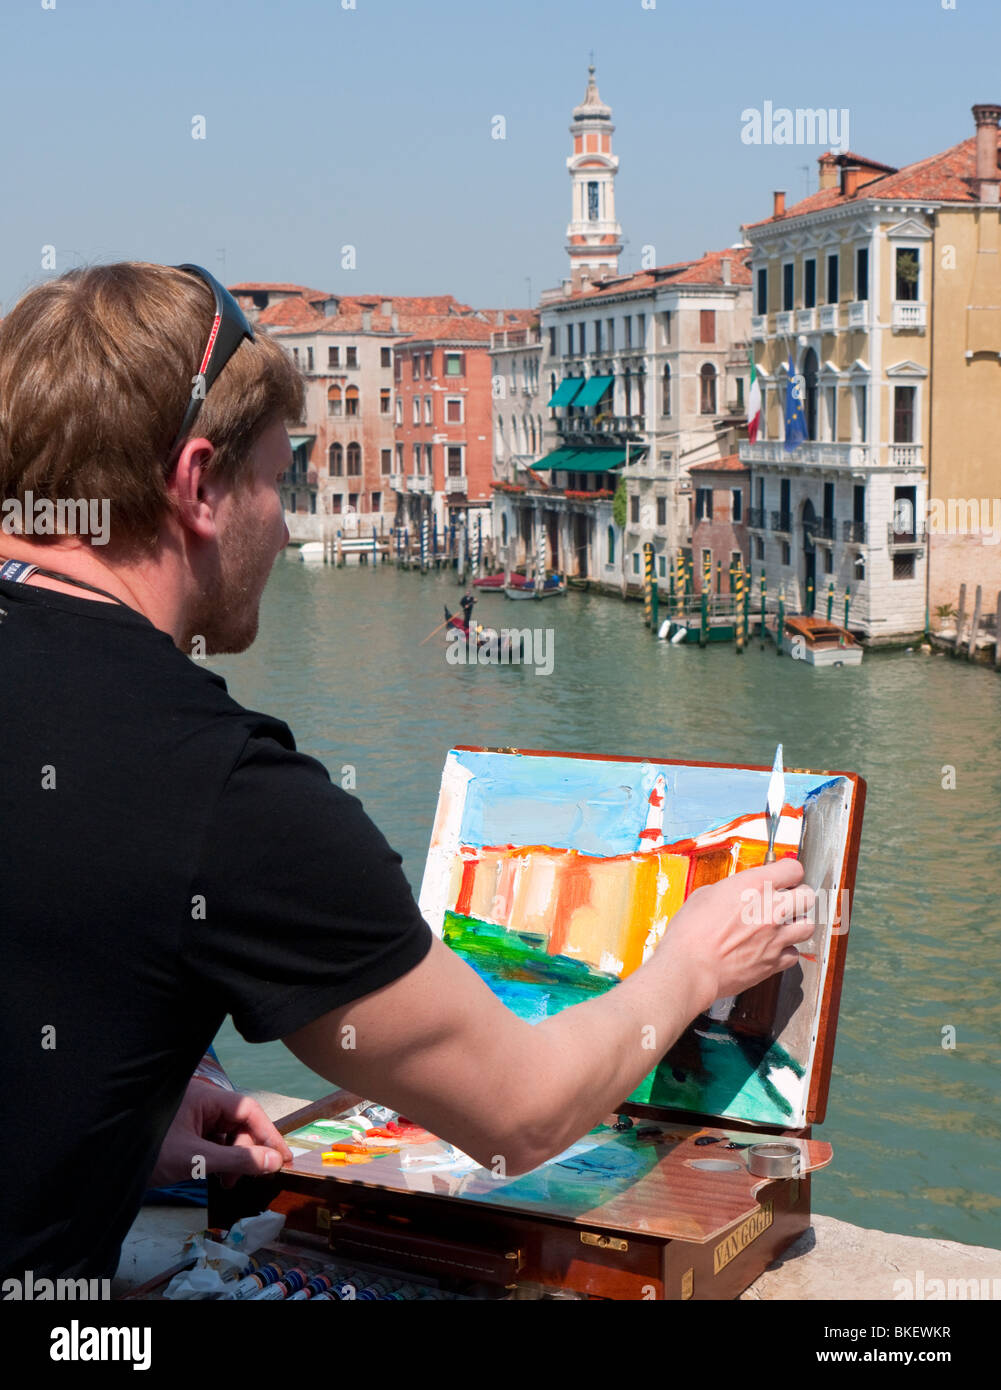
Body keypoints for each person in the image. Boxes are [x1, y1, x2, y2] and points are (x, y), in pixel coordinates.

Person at [0, 262, 815, 1283]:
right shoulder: (224, 791)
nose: (285, 520)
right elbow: (519, 1112)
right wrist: (692, 962)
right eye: (276, 478)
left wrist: (121, 1116)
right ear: (201, 484)